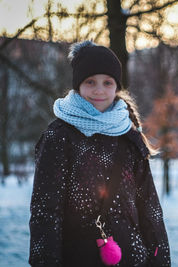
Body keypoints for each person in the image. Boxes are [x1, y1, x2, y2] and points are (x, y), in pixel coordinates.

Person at [29, 40, 170, 266]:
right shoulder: (60, 136)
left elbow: (150, 208)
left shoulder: (129, 136)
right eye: (90, 81)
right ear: (78, 85)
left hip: (132, 258)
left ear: (116, 87)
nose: (99, 90)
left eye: (107, 82)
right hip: (77, 257)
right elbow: (46, 212)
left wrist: (161, 260)